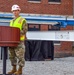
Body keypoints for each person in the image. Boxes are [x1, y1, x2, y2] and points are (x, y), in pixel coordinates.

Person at [7, 4, 28, 74]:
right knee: (11, 56)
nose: (15, 12)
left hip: (19, 41)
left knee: (20, 56)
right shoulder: (11, 21)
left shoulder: (23, 20)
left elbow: (24, 30)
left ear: (19, 11)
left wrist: (15, 32)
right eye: (13, 11)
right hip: (11, 41)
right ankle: (14, 68)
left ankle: (20, 70)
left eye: (16, 11)